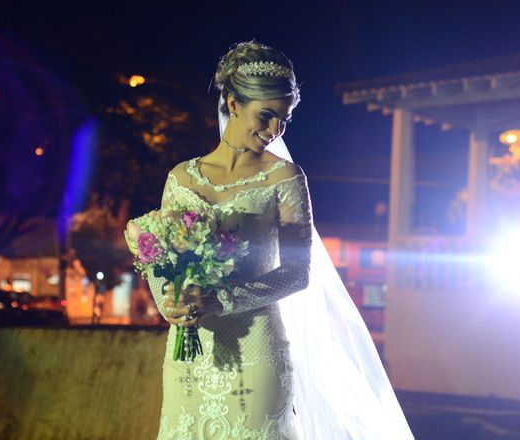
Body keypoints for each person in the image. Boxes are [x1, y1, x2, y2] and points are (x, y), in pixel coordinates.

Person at [146, 41, 414, 439]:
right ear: (233, 104)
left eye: (283, 119)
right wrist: (168, 301)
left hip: (257, 349)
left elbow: (295, 274)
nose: (274, 130)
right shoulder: (180, 179)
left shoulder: (285, 179)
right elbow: (160, 257)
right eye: (267, 115)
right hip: (191, 354)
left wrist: (221, 300)